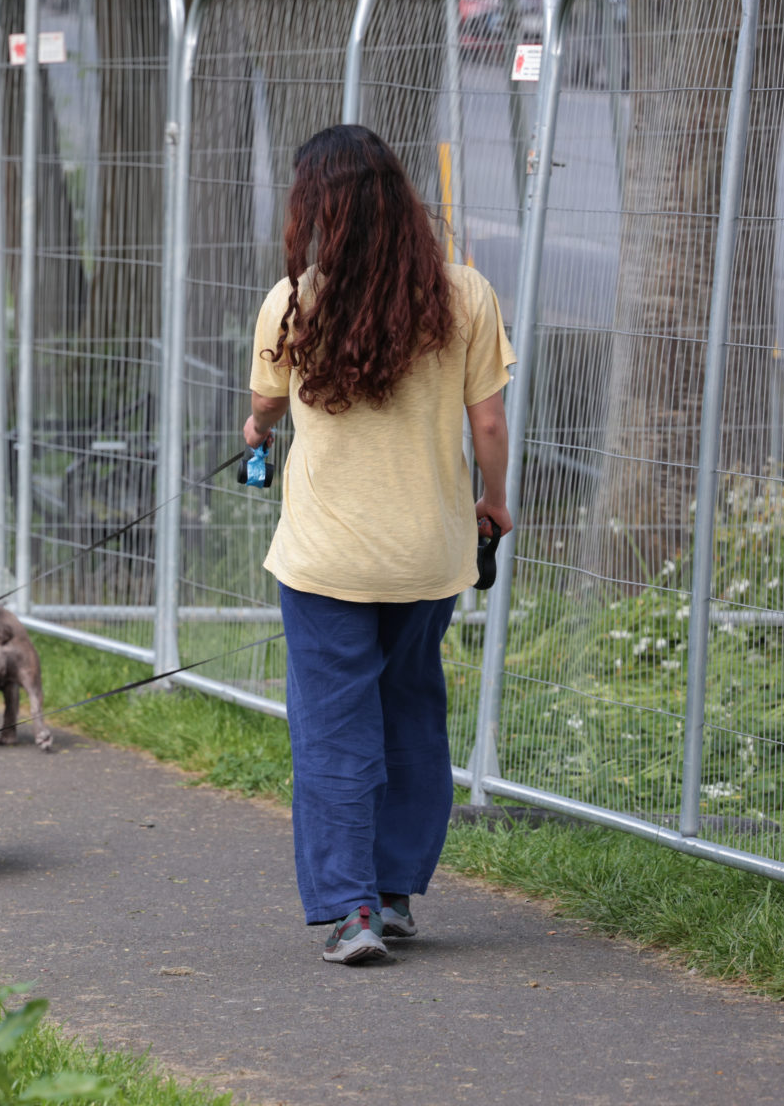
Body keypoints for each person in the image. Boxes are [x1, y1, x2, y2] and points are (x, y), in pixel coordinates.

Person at [243, 124, 515, 965]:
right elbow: (491, 422)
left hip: (325, 561)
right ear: (401, 199)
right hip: (428, 557)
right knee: (410, 717)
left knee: (333, 731)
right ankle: (395, 895)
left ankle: (350, 912)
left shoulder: (295, 302)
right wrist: (494, 504)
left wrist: (257, 429)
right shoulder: (464, 296)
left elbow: (266, 406)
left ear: (315, 209)